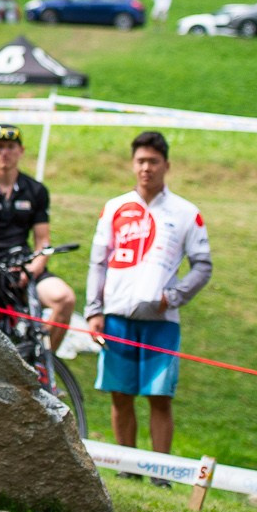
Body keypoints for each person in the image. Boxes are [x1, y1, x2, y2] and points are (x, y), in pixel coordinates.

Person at [84, 131, 213, 478]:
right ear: (132, 164)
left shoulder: (186, 212)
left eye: (153, 162)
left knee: (159, 396)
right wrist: (93, 310)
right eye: (141, 161)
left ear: (166, 165)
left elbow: (203, 265)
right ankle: (127, 468)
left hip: (161, 321)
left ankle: (161, 473)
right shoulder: (114, 208)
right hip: (117, 315)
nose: (146, 168)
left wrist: (174, 297)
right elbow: (98, 261)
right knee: (119, 393)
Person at [0, 124, 77, 350]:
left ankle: (42, 360)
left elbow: (43, 240)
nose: (5, 152)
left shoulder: (35, 190)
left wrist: (34, 268)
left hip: (23, 267)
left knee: (64, 298)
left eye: (11, 146)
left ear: (21, 150)